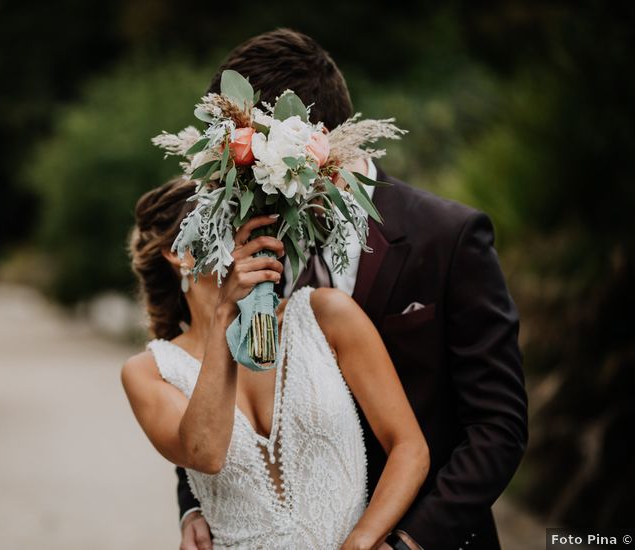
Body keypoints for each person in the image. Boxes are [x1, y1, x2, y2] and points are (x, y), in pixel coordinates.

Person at [163, 29, 529, 550]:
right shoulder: (249, 239)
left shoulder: (448, 238)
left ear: (315, 143)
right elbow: (208, 369)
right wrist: (194, 503)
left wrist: (407, 542)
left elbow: (500, 426)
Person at [122, 177, 430, 549]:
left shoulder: (326, 316)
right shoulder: (149, 371)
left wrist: (364, 540)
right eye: (224, 219)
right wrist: (224, 315)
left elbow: (409, 447)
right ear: (179, 253)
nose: (244, 233)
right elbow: (205, 453)